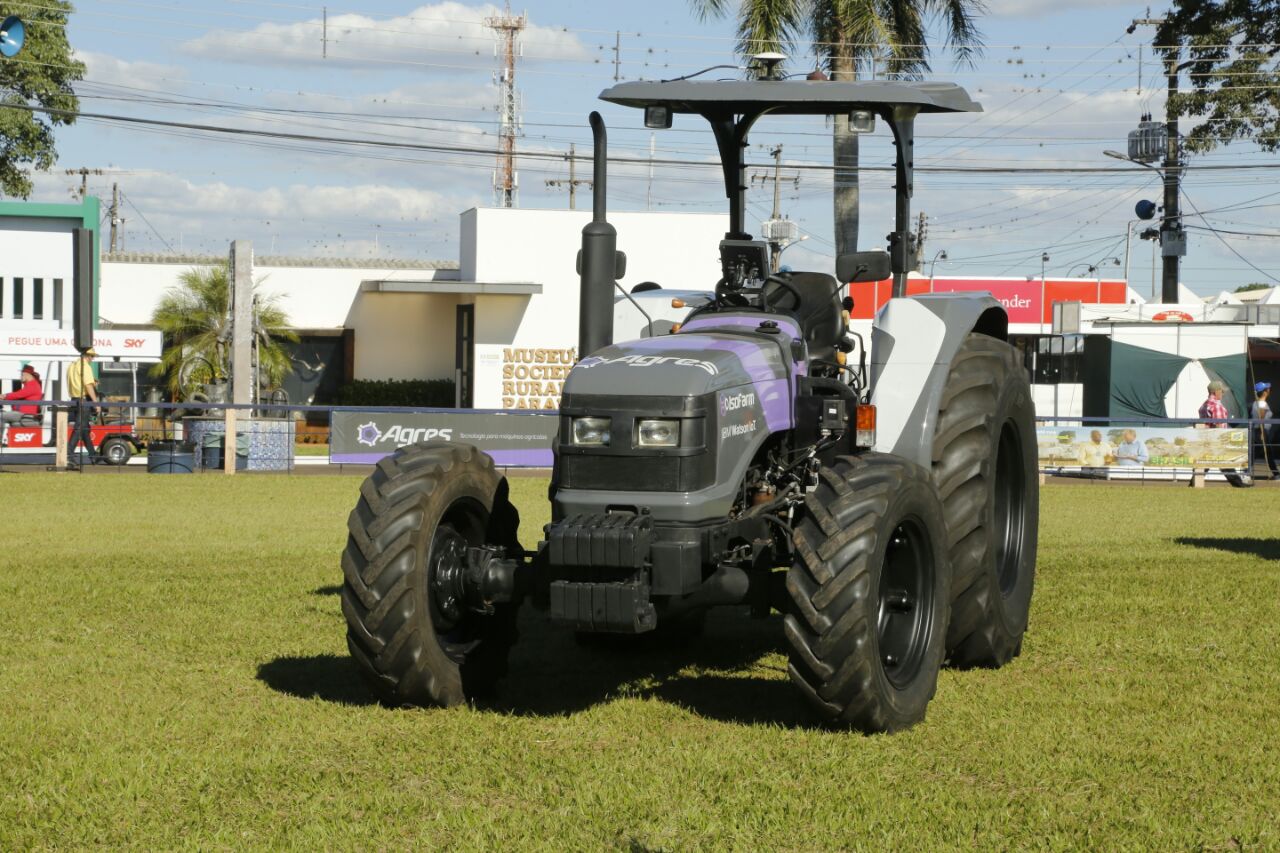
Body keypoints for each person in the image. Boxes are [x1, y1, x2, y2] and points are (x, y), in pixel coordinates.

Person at [1198, 379, 1248, 486]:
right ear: (1215, 391)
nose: (1223, 393)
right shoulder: (1216, 406)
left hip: (1207, 439)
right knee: (1223, 463)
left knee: (1208, 464)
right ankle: (1239, 485)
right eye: (1221, 391)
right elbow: (1219, 425)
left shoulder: (1204, 405)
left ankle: (1238, 484)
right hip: (1216, 440)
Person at [66, 346, 100, 465]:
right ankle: (68, 454)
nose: (92, 359)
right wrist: (96, 403)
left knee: (84, 429)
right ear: (88, 356)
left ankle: (93, 455)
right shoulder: (85, 366)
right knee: (80, 428)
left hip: (74, 399)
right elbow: (88, 385)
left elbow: (76, 382)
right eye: (92, 356)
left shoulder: (72, 365)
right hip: (83, 400)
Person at [2, 364, 43, 446]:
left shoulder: (33, 385)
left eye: (21, 375)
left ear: (27, 375)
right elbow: (19, 396)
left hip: (25, 415)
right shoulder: (30, 385)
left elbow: (18, 394)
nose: (20, 377)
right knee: (3, 414)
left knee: (1, 416)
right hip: (21, 413)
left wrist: (4, 396)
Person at [1249, 381, 1278, 479]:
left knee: (1258, 452)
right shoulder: (1262, 403)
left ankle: (1275, 473)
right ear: (1264, 392)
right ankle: (1276, 474)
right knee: (1262, 452)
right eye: (1267, 389)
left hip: (1258, 430)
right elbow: (1261, 418)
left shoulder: (1255, 403)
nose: (1269, 390)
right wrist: (1262, 433)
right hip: (1261, 431)